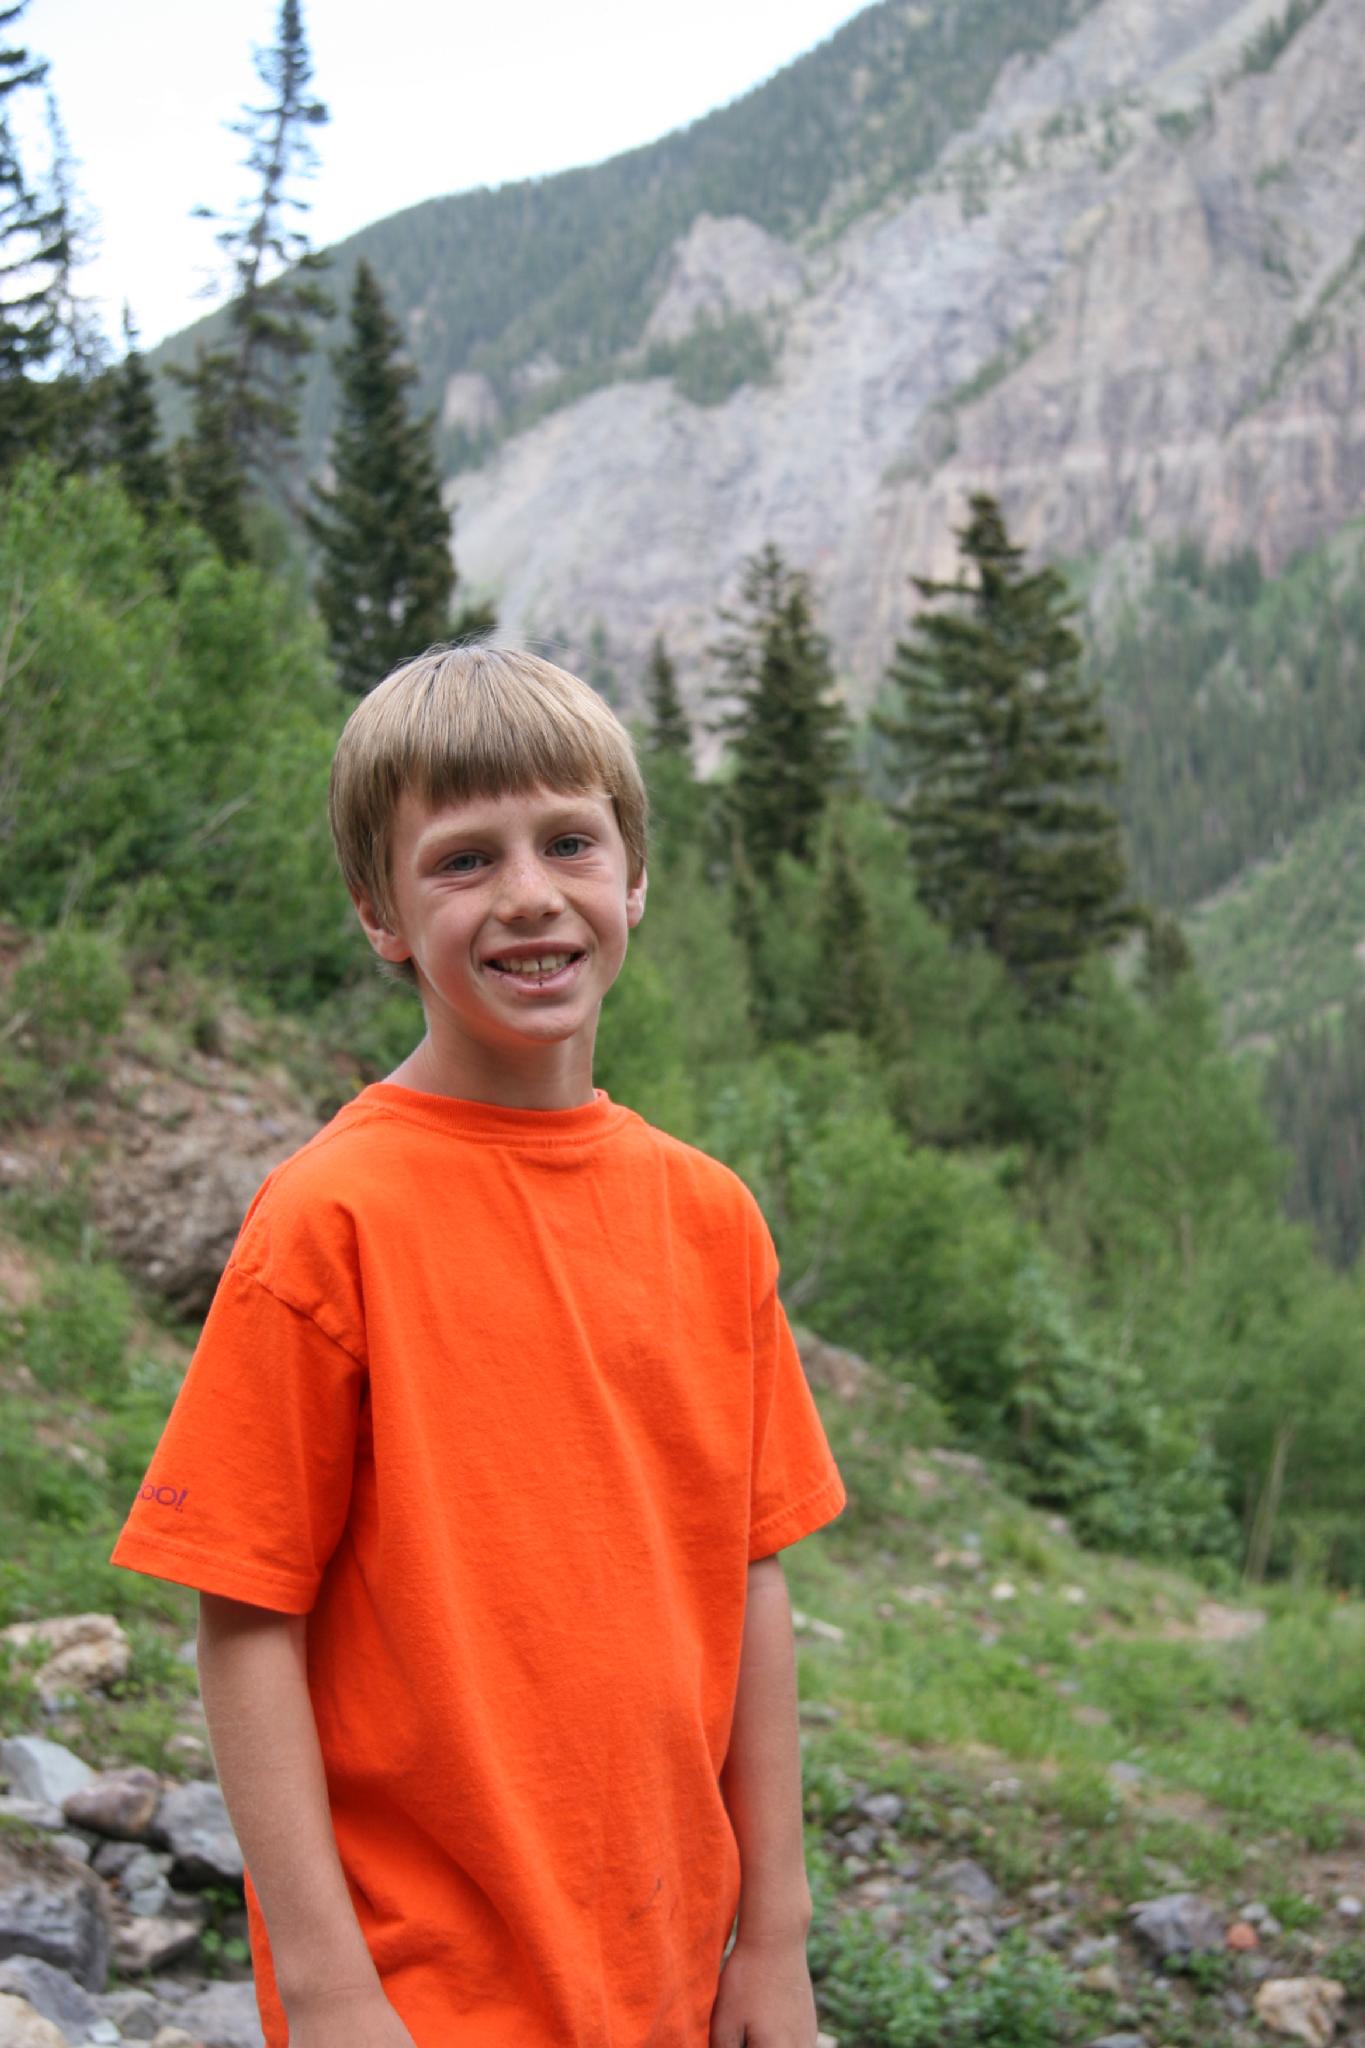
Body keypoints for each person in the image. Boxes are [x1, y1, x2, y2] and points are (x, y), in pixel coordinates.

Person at [112, 645, 846, 2048]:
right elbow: (245, 1620)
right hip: (423, 1992)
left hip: (671, 1969)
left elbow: (749, 1580)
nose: (527, 894)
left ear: (633, 876)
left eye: (569, 842)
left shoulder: (709, 1218)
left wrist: (776, 1935)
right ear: (380, 913)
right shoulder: (330, 1219)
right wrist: (330, 1991)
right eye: (461, 860)